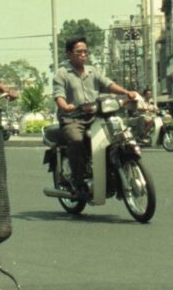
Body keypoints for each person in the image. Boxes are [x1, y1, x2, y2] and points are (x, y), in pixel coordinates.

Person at [53, 36, 138, 196]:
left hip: (95, 117)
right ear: (69, 54)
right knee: (76, 141)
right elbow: (59, 95)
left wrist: (126, 92)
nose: (83, 55)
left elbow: (108, 84)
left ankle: (111, 177)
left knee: (114, 139)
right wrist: (65, 106)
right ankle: (78, 183)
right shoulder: (62, 73)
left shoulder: (93, 71)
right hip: (73, 118)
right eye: (79, 52)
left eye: (85, 51)